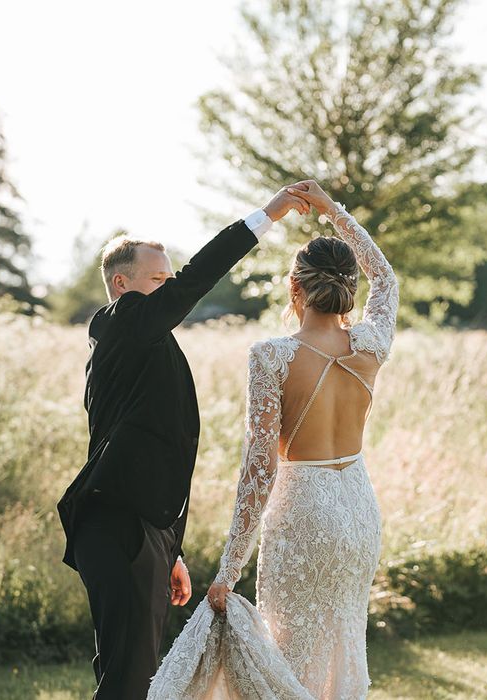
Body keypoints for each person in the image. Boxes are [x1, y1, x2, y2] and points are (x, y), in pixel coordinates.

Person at [56, 183, 312, 700]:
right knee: (130, 681)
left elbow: (152, 443)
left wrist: (169, 546)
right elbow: (198, 277)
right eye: (158, 279)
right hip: (119, 526)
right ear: (122, 285)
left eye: (168, 278)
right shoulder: (123, 321)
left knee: (130, 675)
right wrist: (268, 216)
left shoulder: (136, 345)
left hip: (134, 526)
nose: (171, 287)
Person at [149, 179, 399, 699]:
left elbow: (258, 471)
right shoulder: (371, 344)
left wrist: (228, 569)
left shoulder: (272, 357)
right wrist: (334, 212)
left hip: (303, 509)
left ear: (294, 288)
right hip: (357, 507)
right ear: (350, 287)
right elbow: (388, 278)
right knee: (344, 643)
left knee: (288, 655)